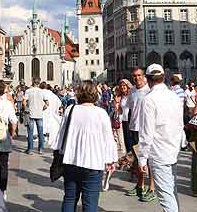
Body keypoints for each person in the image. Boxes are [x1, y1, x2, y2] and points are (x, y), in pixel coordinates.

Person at [53, 83, 117, 212]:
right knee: (90, 202)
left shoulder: (70, 109)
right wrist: (111, 159)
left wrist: (59, 151)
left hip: (71, 160)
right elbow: (108, 139)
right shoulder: (101, 113)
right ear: (95, 95)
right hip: (93, 163)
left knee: (70, 198)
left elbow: (61, 134)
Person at [138, 64, 184, 212]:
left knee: (165, 195)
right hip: (172, 149)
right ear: (163, 77)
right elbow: (180, 123)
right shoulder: (173, 95)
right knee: (171, 190)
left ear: (148, 79)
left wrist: (142, 158)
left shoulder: (149, 99)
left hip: (159, 151)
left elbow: (146, 132)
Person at [125, 68, 155, 202]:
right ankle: (140, 185)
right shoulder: (132, 91)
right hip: (134, 128)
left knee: (150, 160)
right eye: (134, 76)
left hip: (147, 129)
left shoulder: (150, 91)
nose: (137, 78)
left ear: (144, 77)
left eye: (139, 75)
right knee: (138, 159)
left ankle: (152, 187)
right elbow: (132, 109)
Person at [23, 77, 49, 155]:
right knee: (40, 132)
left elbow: (24, 102)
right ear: (39, 82)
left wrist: (26, 108)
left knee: (30, 132)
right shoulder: (42, 91)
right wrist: (43, 108)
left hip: (31, 113)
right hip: (39, 113)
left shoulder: (28, 91)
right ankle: (40, 149)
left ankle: (30, 149)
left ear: (32, 81)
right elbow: (47, 103)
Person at [117, 79, 132, 155]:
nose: (122, 87)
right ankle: (129, 155)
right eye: (121, 86)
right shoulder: (120, 97)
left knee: (132, 140)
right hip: (124, 120)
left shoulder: (132, 94)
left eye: (124, 85)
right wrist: (116, 102)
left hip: (132, 120)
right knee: (126, 140)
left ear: (127, 86)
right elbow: (119, 110)